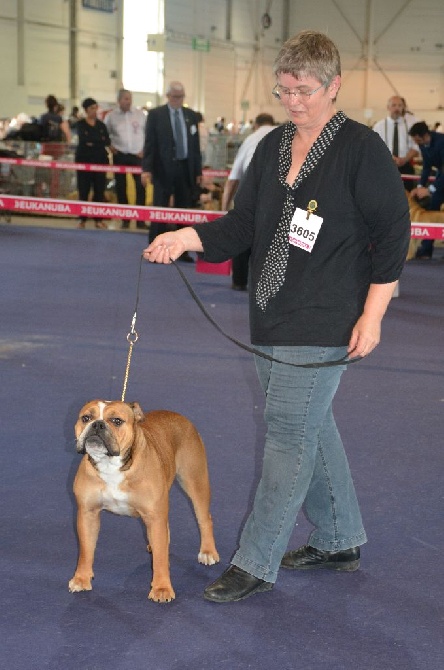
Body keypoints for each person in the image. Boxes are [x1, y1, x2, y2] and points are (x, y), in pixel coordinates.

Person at [143, 30, 410, 604]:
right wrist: (185, 237)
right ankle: (339, 536)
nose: (293, 100)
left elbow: (394, 236)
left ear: (333, 86)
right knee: (313, 428)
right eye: (284, 89)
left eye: (305, 90)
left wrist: (374, 315)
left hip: (327, 319)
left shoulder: (362, 150)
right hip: (270, 317)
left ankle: (255, 561)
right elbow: (243, 225)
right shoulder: (270, 147)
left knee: (288, 435)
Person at [141, 81, 202, 262]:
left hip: (185, 168)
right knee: (159, 209)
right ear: (167, 96)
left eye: (181, 97)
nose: (178, 100)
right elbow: (149, 144)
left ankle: (182, 250)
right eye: (175, 97)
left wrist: (198, 171)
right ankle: (153, 249)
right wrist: (147, 169)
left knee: (184, 211)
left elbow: (195, 146)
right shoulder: (155, 115)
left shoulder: (191, 115)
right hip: (162, 169)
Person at [221, 113, 275, 290]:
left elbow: (232, 180)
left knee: (243, 232)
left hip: (251, 186)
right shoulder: (284, 134)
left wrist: (224, 211)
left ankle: (239, 281)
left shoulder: (250, 139)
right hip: (278, 189)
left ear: (255, 125)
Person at [105, 89, 147, 230]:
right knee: (121, 187)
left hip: (138, 155)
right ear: (119, 100)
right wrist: (110, 146)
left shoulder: (140, 115)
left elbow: (148, 134)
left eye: (129, 98)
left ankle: (140, 219)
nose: (127, 101)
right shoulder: (111, 117)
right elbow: (105, 133)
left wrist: (144, 150)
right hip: (120, 155)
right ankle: (125, 219)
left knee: (141, 187)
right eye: (125, 99)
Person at [408, 120, 444, 259]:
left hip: (442, 178)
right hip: (441, 179)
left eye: (415, 139)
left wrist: (430, 189)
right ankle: (426, 250)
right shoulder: (422, 145)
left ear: (422, 136)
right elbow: (427, 167)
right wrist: (420, 186)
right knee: (431, 212)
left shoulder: (442, 142)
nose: (414, 143)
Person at [75, 97, 110, 229]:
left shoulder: (101, 125)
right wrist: (97, 141)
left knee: (99, 191)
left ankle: (98, 219)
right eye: (91, 108)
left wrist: (94, 142)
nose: (94, 111)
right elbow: (85, 139)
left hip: (100, 162)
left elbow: (106, 141)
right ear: (86, 110)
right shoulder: (80, 124)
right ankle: (82, 219)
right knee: (83, 190)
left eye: (96, 108)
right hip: (84, 162)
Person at [372, 95, 418, 191]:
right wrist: (389, 158)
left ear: (403, 107)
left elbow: (416, 146)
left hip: (406, 165)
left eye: (400, 105)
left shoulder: (411, 125)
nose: (397, 108)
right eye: (394, 105)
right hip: (385, 166)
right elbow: (373, 147)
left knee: (407, 198)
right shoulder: (379, 126)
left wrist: (405, 159)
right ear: (388, 107)